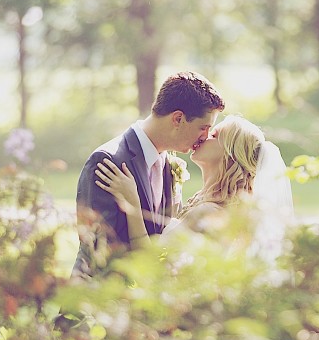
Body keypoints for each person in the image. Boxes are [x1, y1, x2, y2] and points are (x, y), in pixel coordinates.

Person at [72, 72, 225, 277]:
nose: (204, 138)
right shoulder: (109, 161)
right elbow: (99, 249)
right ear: (178, 119)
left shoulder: (167, 165)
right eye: (203, 128)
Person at [94, 114, 294, 259]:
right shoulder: (207, 201)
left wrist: (132, 204)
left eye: (214, 136)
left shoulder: (210, 213)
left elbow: (150, 263)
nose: (203, 137)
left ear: (229, 155)